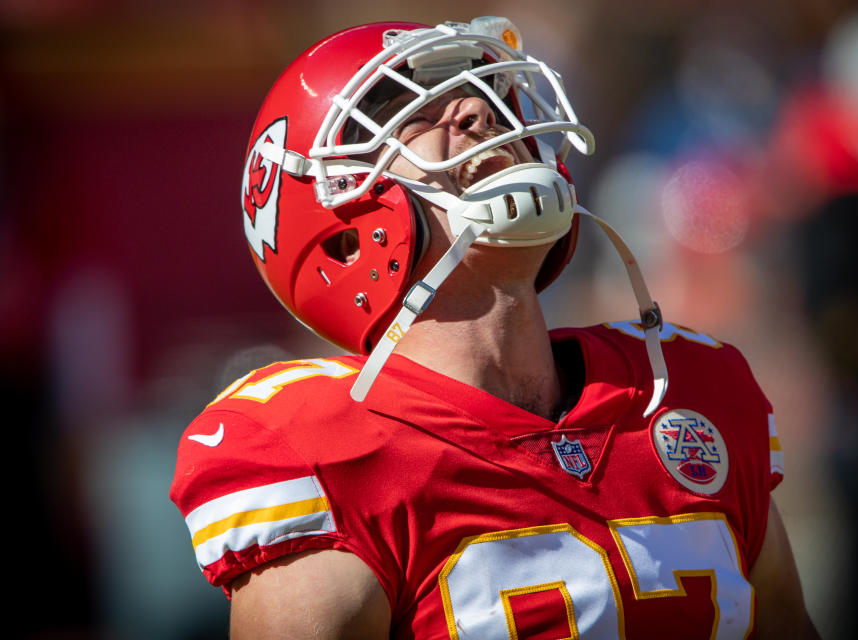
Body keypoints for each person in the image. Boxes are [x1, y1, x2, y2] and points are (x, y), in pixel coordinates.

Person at [170, 17, 819, 639]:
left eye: (483, 93)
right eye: (416, 109)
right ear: (338, 225)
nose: (480, 114)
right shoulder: (321, 455)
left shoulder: (686, 389)